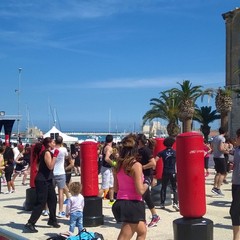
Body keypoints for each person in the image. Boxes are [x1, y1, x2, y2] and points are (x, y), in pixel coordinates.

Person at [112, 134, 150, 240]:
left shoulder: (118, 165)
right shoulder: (136, 165)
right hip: (132, 204)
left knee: (142, 231)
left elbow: (116, 189)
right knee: (124, 237)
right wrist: (148, 181)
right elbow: (140, 191)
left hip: (121, 202)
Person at [24, 137, 60, 233]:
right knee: (41, 202)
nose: (54, 143)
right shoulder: (47, 153)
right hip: (42, 181)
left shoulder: (47, 152)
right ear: (48, 144)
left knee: (53, 199)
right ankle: (30, 223)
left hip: (48, 180)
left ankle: (52, 220)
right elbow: (50, 166)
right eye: (53, 142)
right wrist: (55, 156)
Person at [136, 133, 160, 228]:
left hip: (146, 175)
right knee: (145, 196)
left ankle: (147, 218)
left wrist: (142, 167)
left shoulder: (146, 150)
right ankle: (152, 216)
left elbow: (153, 163)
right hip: (141, 175)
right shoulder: (138, 150)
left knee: (142, 195)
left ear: (139, 141)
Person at [155, 137, 179, 211]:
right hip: (173, 172)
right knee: (175, 188)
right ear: (172, 144)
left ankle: (162, 203)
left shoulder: (162, 152)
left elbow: (155, 160)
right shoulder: (175, 152)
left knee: (163, 187)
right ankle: (175, 203)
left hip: (165, 171)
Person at [53, 136, 69, 218]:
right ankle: (60, 211)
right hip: (61, 172)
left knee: (50, 192)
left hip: (52, 172)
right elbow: (67, 156)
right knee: (60, 192)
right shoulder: (63, 149)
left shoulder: (52, 149)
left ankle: (46, 209)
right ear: (62, 142)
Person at [211, 127, 229, 196]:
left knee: (218, 172)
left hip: (215, 156)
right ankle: (218, 188)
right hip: (220, 157)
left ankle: (214, 187)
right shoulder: (222, 138)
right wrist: (227, 151)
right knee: (223, 173)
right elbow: (221, 148)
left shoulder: (215, 137)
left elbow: (212, 146)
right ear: (225, 132)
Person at [230, 128, 240, 240]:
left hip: (238, 184)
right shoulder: (237, 150)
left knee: (235, 211)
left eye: (236, 137)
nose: (235, 139)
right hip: (236, 183)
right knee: (235, 211)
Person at [99, 134, 115, 204]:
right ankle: (97, 200)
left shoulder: (105, 147)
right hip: (106, 168)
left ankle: (111, 200)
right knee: (104, 186)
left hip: (109, 168)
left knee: (112, 185)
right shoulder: (109, 148)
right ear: (112, 140)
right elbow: (106, 158)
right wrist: (113, 163)